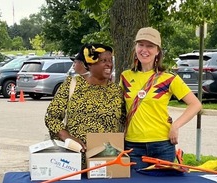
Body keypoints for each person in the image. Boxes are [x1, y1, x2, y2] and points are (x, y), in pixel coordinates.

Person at [120, 27, 201, 169]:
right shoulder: (125, 77)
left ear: (157, 51)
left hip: (162, 144)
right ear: (135, 48)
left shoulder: (168, 78)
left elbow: (195, 104)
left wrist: (175, 126)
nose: (144, 50)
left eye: (150, 46)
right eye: (141, 45)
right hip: (132, 145)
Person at [45, 43, 125, 167]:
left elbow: (127, 120)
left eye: (110, 60)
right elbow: (51, 117)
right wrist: (67, 137)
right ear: (89, 64)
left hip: (107, 161)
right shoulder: (72, 85)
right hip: (73, 160)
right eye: (103, 60)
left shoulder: (117, 91)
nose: (109, 64)